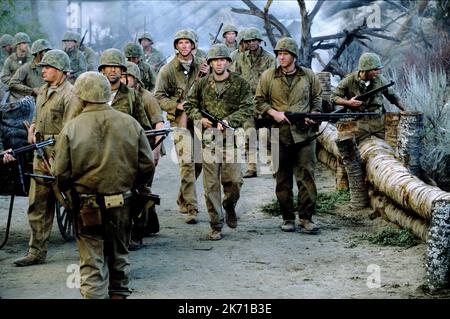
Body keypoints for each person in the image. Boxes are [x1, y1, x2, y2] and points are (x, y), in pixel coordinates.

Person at [53, 71, 155, 299]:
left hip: (87, 207)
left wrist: (71, 197)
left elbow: (60, 173)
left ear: (80, 96)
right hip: (123, 203)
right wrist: (134, 187)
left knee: (92, 264)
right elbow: (147, 164)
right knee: (120, 257)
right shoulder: (130, 123)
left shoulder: (71, 128)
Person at [13, 49, 79, 266]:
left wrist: (58, 159)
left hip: (58, 157)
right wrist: (32, 128)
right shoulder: (42, 90)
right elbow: (36, 115)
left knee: (72, 204)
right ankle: (36, 252)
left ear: (60, 71)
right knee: (37, 204)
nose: (43, 71)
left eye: (48, 68)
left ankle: (89, 248)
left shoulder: (70, 95)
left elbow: (69, 131)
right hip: (39, 155)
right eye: (43, 67)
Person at [185, 44, 253, 240]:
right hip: (208, 140)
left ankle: (229, 206)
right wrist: (201, 119)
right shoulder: (202, 83)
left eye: (222, 59)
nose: (219, 63)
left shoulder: (239, 83)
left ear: (228, 62)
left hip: (231, 139)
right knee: (211, 185)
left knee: (234, 181)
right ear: (210, 63)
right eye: (215, 60)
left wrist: (229, 121)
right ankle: (216, 224)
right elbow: (190, 104)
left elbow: (248, 106)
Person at [254, 37, 322, 233]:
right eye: (279, 54)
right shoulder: (268, 76)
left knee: (306, 177)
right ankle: (287, 217)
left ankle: (306, 218)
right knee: (282, 179)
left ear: (293, 56)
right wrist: (274, 113)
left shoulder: (308, 75)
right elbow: (258, 101)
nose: (281, 57)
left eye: (285, 54)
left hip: (305, 136)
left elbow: (318, 98)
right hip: (278, 135)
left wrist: (314, 114)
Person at [154, 29, 209, 224]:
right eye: (181, 43)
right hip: (180, 120)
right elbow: (159, 95)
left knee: (200, 163)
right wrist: (176, 105)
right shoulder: (168, 69)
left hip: (201, 118)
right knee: (187, 163)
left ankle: (183, 196)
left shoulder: (203, 64)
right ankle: (192, 207)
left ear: (193, 45)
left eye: (188, 42)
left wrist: (207, 75)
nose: (184, 46)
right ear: (176, 46)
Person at [232, 27, 276, 178]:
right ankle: (252, 167)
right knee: (249, 134)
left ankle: (274, 165)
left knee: (269, 134)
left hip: (265, 100)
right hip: (247, 102)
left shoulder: (269, 59)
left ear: (259, 41)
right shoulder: (240, 58)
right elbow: (234, 77)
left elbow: (274, 79)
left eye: (254, 40)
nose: (251, 43)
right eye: (248, 41)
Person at [331, 52, 405, 141]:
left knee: (393, 145)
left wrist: (406, 111)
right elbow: (334, 97)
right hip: (357, 124)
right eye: (375, 69)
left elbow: (394, 98)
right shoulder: (349, 80)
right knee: (347, 147)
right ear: (364, 70)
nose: (378, 72)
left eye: (378, 69)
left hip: (378, 124)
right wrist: (348, 103)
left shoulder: (381, 80)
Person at [96, 48, 151, 130]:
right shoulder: (94, 94)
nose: (113, 70)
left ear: (122, 70)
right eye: (109, 67)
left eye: (116, 67)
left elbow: (143, 127)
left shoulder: (132, 95)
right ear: (103, 70)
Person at [123, 61, 164, 164]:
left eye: (127, 76)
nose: (123, 80)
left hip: (146, 145)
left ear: (136, 78)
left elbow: (159, 124)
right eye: (121, 76)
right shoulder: (122, 96)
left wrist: (156, 150)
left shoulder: (147, 97)